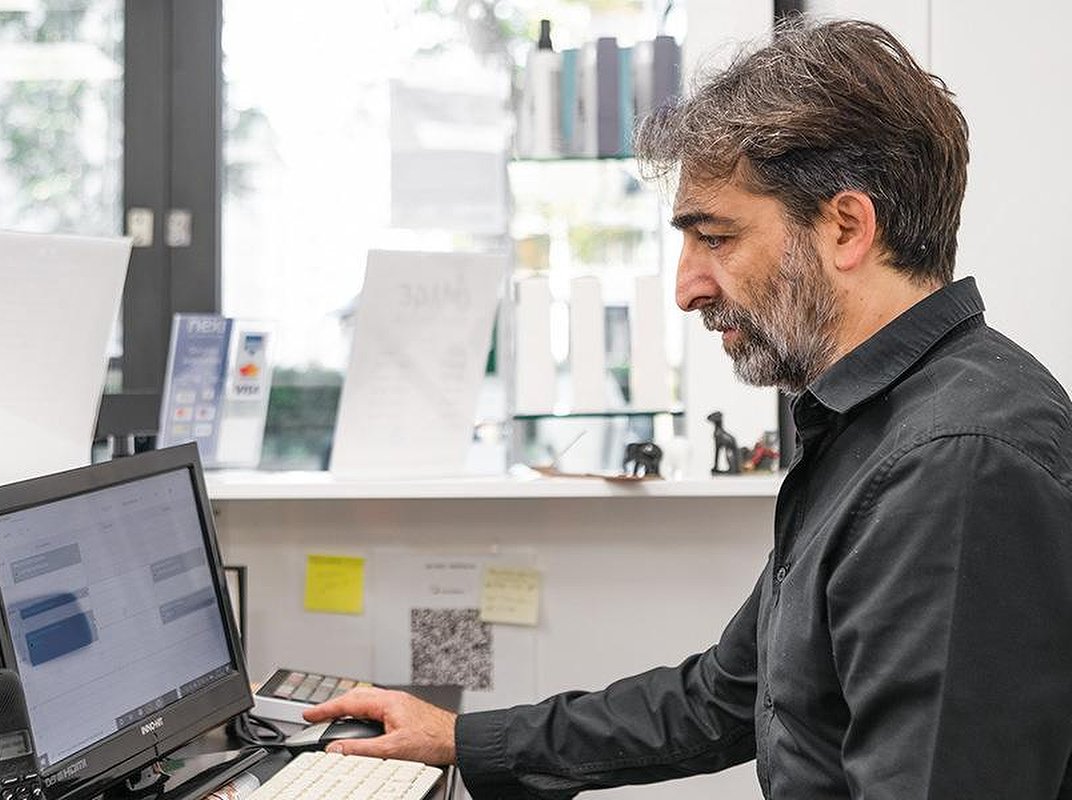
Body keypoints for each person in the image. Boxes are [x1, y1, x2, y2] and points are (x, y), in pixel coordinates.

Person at [307, 18, 1072, 799]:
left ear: (846, 227)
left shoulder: (955, 462)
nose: (686, 289)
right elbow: (725, 697)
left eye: (715, 237)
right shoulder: (869, 425)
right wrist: (462, 740)